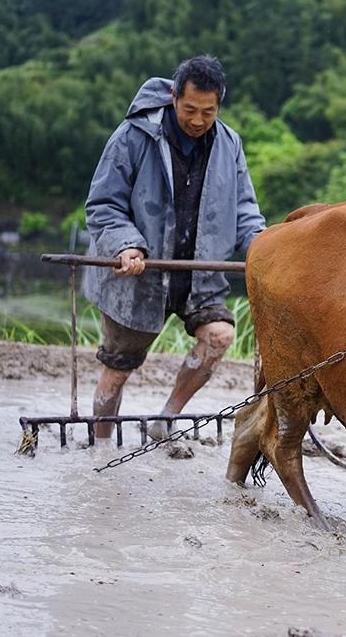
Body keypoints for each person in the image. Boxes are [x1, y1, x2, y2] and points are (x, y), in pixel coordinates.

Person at [83, 55, 266, 440]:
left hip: (198, 274)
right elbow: (103, 205)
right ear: (173, 97)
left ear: (219, 105)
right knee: (118, 368)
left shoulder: (229, 144)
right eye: (189, 109)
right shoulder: (133, 136)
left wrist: (262, 248)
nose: (198, 120)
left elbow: (245, 208)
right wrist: (127, 244)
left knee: (219, 336)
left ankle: (165, 419)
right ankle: (100, 443)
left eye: (208, 111)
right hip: (139, 276)